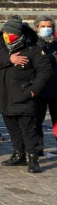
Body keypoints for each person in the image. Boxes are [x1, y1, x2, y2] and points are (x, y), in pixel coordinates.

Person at [0, 16, 52, 173]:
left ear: (19, 34)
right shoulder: (1, 47)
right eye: (5, 32)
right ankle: (18, 154)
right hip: (5, 95)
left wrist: (33, 90)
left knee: (28, 130)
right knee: (13, 129)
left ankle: (32, 158)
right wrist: (9, 59)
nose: (7, 36)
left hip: (24, 95)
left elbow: (45, 71)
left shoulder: (33, 49)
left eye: (11, 33)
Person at [34, 16, 57, 155]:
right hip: (39, 89)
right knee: (37, 120)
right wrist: (51, 58)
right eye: (43, 26)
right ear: (37, 28)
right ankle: (38, 148)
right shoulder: (33, 45)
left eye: (49, 26)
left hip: (55, 89)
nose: (46, 29)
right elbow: (34, 63)